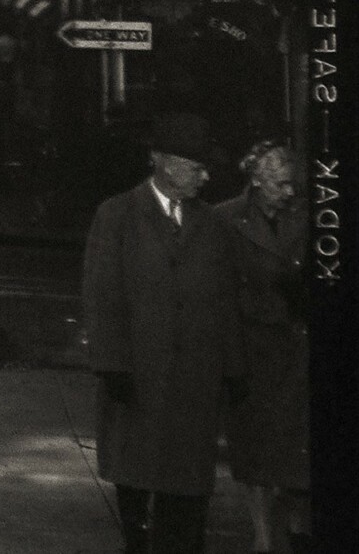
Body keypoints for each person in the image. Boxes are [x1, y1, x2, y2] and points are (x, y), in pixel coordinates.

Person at [83, 112, 245, 554]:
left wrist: (232, 368)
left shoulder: (212, 226)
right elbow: (102, 295)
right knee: (137, 479)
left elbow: (225, 299)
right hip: (138, 378)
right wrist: (112, 365)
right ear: (167, 164)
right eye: (198, 168)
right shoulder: (117, 215)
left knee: (188, 491)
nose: (206, 177)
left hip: (195, 380)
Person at [215, 141, 310, 554]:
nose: (289, 193)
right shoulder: (226, 220)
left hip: (295, 343)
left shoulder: (308, 218)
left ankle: (294, 525)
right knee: (253, 442)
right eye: (281, 185)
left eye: (293, 185)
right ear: (257, 180)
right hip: (251, 346)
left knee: (293, 441)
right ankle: (263, 534)